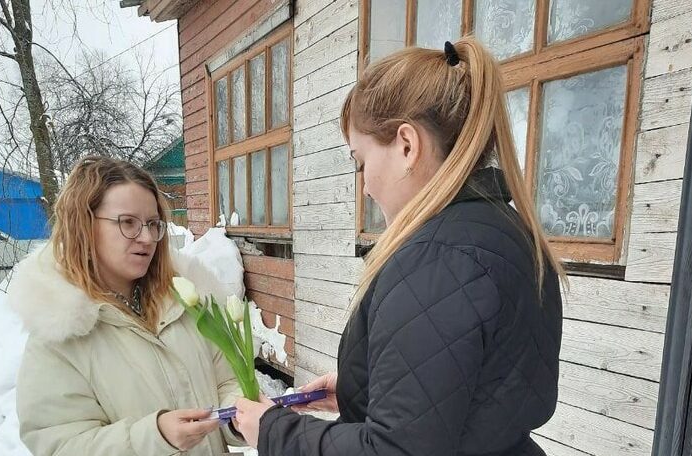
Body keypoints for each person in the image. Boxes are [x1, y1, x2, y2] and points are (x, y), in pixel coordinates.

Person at [234, 37, 565, 456]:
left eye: (362, 161)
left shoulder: (438, 261)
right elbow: (478, 393)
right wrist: (364, 390)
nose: (365, 185)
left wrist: (273, 432)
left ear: (407, 146)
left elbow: (395, 450)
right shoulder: (508, 233)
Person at [11, 156, 245, 455]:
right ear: (84, 225)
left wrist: (238, 417)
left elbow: (228, 382)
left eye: (152, 224)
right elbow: (59, 445)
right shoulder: (58, 332)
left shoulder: (189, 301)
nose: (147, 238)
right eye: (128, 223)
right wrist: (155, 437)